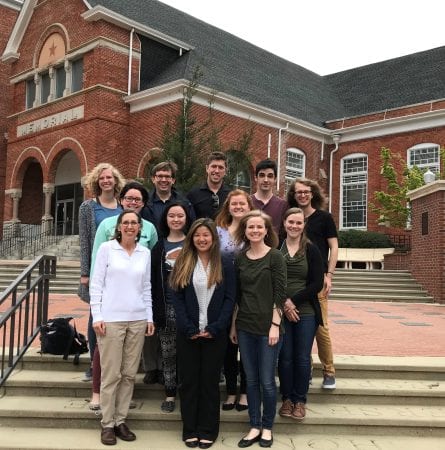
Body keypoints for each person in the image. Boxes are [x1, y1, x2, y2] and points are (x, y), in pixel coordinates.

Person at [88, 181, 158, 409]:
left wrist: (149, 316)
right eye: (129, 199)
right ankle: (105, 415)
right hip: (110, 314)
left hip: (136, 315)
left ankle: (120, 416)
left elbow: (147, 283)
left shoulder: (146, 245)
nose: (129, 226)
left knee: (128, 372)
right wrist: (96, 313)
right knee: (110, 367)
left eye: (138, 200)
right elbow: (97, 280)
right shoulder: (107, 241)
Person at [170, 218, 235, 449]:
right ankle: (190, 429)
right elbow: (176, 297)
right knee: (189, 383)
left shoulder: (225, 262)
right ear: (191, 238)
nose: (202, 239)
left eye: (206, 235)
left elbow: (230, 299)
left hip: (214, 334)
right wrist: (188, 327)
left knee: (209, 383)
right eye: (197, 235)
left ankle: (208, 429)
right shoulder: (183, 261)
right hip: (188, 333)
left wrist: (216, 327)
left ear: (213, 238)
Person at [232, 210, 286, 448]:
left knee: (266, 381)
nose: (254, 231)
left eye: (259, 227)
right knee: (251, 380)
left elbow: (280, 294)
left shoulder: (275, 257)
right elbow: (238, 295)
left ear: (266, 230)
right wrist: (233, 325)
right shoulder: (240, 258)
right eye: (250, 227)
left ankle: (267, 427)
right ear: (245, 231)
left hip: (269, 329)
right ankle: (254, 425)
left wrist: (275, 325)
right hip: (245, 327)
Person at [141, 161, 195, 384]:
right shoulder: (146, 205)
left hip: (181, 270)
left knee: (175, 335)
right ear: (153, 178)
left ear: (173, 180)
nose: (163, 179)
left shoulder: (183, 203)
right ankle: (154, 368)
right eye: (159, 175)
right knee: (156, 324)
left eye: (168, 176)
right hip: (154, 262)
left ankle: (173, 373)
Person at [287, 177, 338, 389]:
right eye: (298, 192)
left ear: (313, 194)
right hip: (296, 282)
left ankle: (329, 370)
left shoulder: (324, 217)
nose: (302, 195)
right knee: (299, 326)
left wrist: (329, 274)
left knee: (320, 327)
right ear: (293, 195)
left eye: (306, 192)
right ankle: (305, 368)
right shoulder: (291, 218)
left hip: (316, 282)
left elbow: (334, 247)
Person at [78, 163, 125, 390]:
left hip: (121, 273)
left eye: (110, 178)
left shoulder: (123, 208)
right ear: (97, 182)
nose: (106, 181)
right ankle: (93, 362)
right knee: (95, 317)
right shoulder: (88, 208)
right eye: (102, 178)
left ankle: (113, 362)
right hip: (99, 271)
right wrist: (85, 273)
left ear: (116, 181)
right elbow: (85, 242)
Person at [277, 208, 324, 421]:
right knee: (285, 357)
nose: (294, 226)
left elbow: (316, 283)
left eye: (298, 223)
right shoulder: (276, 248)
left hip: (305, 312)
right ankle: (286, 398)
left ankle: (300, 400)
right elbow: (272, 280)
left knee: (302, 358)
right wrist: (284, 305)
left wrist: (293, 302)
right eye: (291, 222)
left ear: (303, 225)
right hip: (281, 311)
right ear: (284, 223)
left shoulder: (311, 250)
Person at [151, 202, 192, 413]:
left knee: (188, 355)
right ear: (166, 219)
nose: (176, 219)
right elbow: (153, 282)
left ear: (187, 218)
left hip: (189, 310)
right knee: (168, 354)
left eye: (180, 216)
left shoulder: (194, 244)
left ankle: (186, 392)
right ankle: (169, 394)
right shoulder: (159, 247)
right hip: (166, 308)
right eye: (172, 216)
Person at [214, 189, 253, 412]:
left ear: (249, 207)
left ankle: (245, 393)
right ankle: (230, 392)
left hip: (248, 294)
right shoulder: (218, 232)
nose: (238, 207)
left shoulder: (254, 230)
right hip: (223, 294)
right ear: (228, 207)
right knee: (229, 348)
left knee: (246, 346)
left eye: (242, 204)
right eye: (234, 204)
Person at [187, 151, 231, 219]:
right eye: (213, 166)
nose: (217, 171)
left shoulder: (230, 195)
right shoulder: (193, 195)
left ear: (225, 171)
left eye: (221, 167)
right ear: (207, 168)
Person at [250, 159, 287, 238]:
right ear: (256, 178)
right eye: (262, 175)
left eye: (270, 176)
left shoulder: (283, 205)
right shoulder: (247, 202)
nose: (266, 180)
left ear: (275, 179)